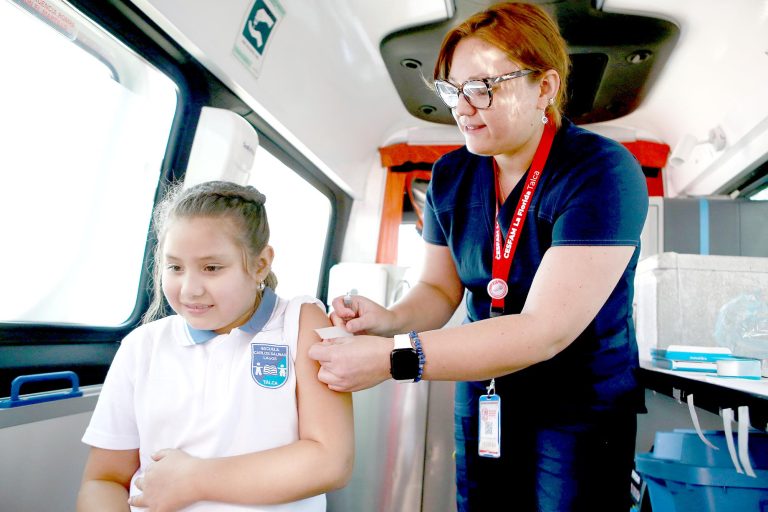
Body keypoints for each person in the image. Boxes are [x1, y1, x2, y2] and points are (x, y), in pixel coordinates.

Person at [308, 3, 648, 511]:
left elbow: (544, 330)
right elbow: (439, 289)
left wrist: (391, 357)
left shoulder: (601, 171)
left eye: (482, 87)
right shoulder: (451, 175)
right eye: (452, 90)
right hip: (486, 389)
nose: (462, 108)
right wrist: (389, 320)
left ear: (544, 87)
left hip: (578, 402)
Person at [77, 181, 353, 512]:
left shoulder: (300, 322)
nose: (189, 290)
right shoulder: (142, 346)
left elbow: (330, 461)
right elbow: (104, 480)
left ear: (260, 264)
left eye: (211, 268)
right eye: (175, 267)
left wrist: (195, 479)